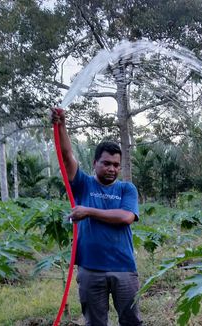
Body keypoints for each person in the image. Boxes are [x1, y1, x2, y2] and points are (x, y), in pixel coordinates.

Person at [51, 108, 142, 326]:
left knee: (131, 321)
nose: (112, 168)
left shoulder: (126, 189)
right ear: (95, 163)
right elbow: (66, 156)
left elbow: (125, 217)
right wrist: (61, 125)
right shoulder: (83, 184)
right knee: (95, 323)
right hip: (90, 270)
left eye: (116, 165)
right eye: (107, 163)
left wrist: (88, 211)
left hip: (124, 269)